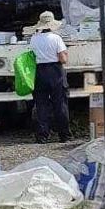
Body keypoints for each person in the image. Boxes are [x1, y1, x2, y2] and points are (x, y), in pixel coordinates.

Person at [30, 10, 71, 143]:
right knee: (60, 104)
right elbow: (63, 59)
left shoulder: (34, 38)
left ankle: (42, 135)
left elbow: (32, 55)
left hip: (39, 71)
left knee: (41, 104)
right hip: (55, 71)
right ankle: (64, 135)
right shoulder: (56, 38)